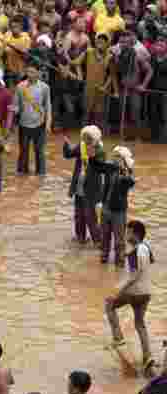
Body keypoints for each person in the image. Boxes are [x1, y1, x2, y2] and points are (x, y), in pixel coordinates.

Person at [104, 220, 153, 372]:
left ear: (134, 234)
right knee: (140, 324)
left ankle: (118, 338)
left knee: (109, 304)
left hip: (134, 292)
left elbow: (133, 276)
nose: (125, 235)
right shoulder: (147, 247)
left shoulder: (134, 252)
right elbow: (148, 263)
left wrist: (118, 291)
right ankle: (147, 357)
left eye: (128, 232)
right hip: (146, 293)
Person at [62, 126, 106, 246]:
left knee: (90, 216)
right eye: (84, 138)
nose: (86, 141)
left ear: (95, 139)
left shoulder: (100, 151)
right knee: (79, 215)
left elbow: (101, 166)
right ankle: (80, 237)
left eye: (89, 138)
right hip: (79, 188)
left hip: (91, 191)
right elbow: (68, 154)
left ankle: (98, 240)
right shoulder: (81, 147)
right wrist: (66, 144)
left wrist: (92, 155)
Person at [95, 147, 136, 267]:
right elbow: (97, 166)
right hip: (106, 208)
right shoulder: (110, 169)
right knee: (104, 237)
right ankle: (104, 258)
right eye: (114, 156)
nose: (115, 158)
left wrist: (126, 170)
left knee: (119, 240)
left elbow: (130, 181)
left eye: (118, 156)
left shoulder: (126, 172)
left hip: (118, 212)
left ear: (123, 159)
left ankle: (120, 262)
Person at [11, 65, 52, 176]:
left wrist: (48, 123)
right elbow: (16, 105)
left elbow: (48, 106)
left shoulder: (45, 87)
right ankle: (22, 172)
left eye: (33, 72)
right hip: (24, 123)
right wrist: (13, 111)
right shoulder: (20, 87)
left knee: (39, 151)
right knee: (23, 150)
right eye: (28, 72)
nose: (30, 75)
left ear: (38, 73)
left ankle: (41, 173)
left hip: (40, 124)